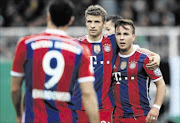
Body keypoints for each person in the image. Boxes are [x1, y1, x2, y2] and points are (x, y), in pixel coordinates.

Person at [10, 0, 99, 123]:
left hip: (33, 119)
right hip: (65, 119)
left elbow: (15, 88)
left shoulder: (26, 44)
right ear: (70, 21)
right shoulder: (80, 51)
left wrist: (19, 114)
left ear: (48, 17)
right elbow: (88, 93)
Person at [71, 5, 161, 123]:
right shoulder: (75, 44)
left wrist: (156, 56)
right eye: (89, 21)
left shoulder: (113, 41)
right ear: (85, 22)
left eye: (97, 22)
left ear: (104, 24)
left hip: (104, 108)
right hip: (78, 106)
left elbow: (136, 50)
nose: (93, 25)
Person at [112, 19, 166, 123]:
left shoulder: (144, 58)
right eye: (119, 34)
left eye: (126, 34)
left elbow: (161, 84)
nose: (122, 38)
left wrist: (156, 107)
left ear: (133, 37)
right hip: (117, 117)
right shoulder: (110, 58)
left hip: (141, 116)